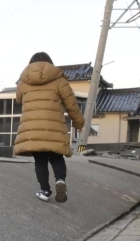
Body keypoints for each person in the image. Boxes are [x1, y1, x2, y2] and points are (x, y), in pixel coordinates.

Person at [13, 52, 86, 203]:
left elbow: (18, 99)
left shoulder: (23, 82)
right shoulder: (59, 80)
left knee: (40, 160)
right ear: (50, 63)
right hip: (54, 128)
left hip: (32, 129)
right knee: (56, 157)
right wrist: (79, 124)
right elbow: (71, 105)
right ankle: (60, 180)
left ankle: (45, 190)